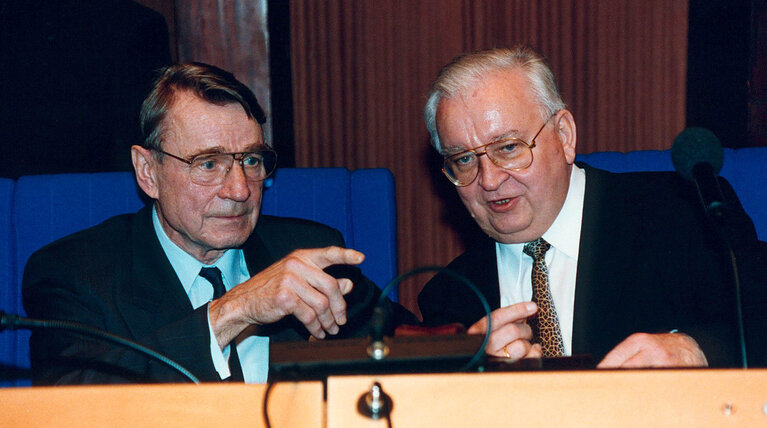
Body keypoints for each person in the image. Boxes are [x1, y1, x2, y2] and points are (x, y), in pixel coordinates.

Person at [22, 62, 413, 384]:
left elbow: (409, 348)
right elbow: (74, 405)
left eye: (251, 161)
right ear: (148, 172)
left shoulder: (308, 250)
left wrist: (469, 338)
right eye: (208, 164)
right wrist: (235, 310)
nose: (240, 190)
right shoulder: (77, 273)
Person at [418, 46, 766, 368]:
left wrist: (697, 351)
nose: (489, 179)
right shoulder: (450, 299)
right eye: (463, 159)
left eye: (508, 148)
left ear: (565, 136)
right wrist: (472, 380)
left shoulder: (685, 215)